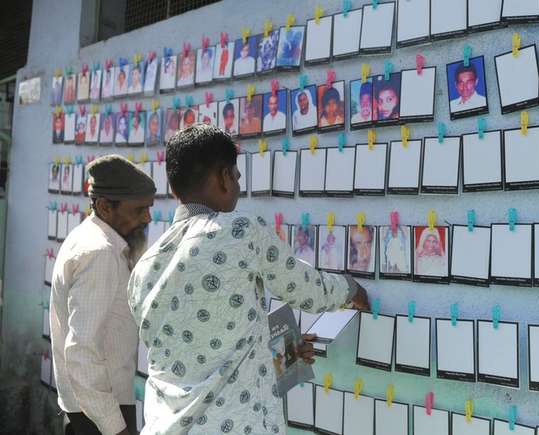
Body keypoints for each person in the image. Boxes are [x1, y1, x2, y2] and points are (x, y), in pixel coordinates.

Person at [128, 124, 369, 434]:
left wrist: (284, 353)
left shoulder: (144, 268)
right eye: (237, 176)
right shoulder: (238, 230)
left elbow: (197, 346)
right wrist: (351, 289)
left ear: (174, 190)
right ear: (224, 177)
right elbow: (307, 290)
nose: (239, 186)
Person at [50, 155, 155, 435]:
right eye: (139, 210)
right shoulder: (100, 253)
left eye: (149, 208)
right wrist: (115, 429)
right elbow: (82, 351)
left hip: (91, 409)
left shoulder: (90, 238)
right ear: (105, 207)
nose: (148, 218)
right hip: (100, 415)